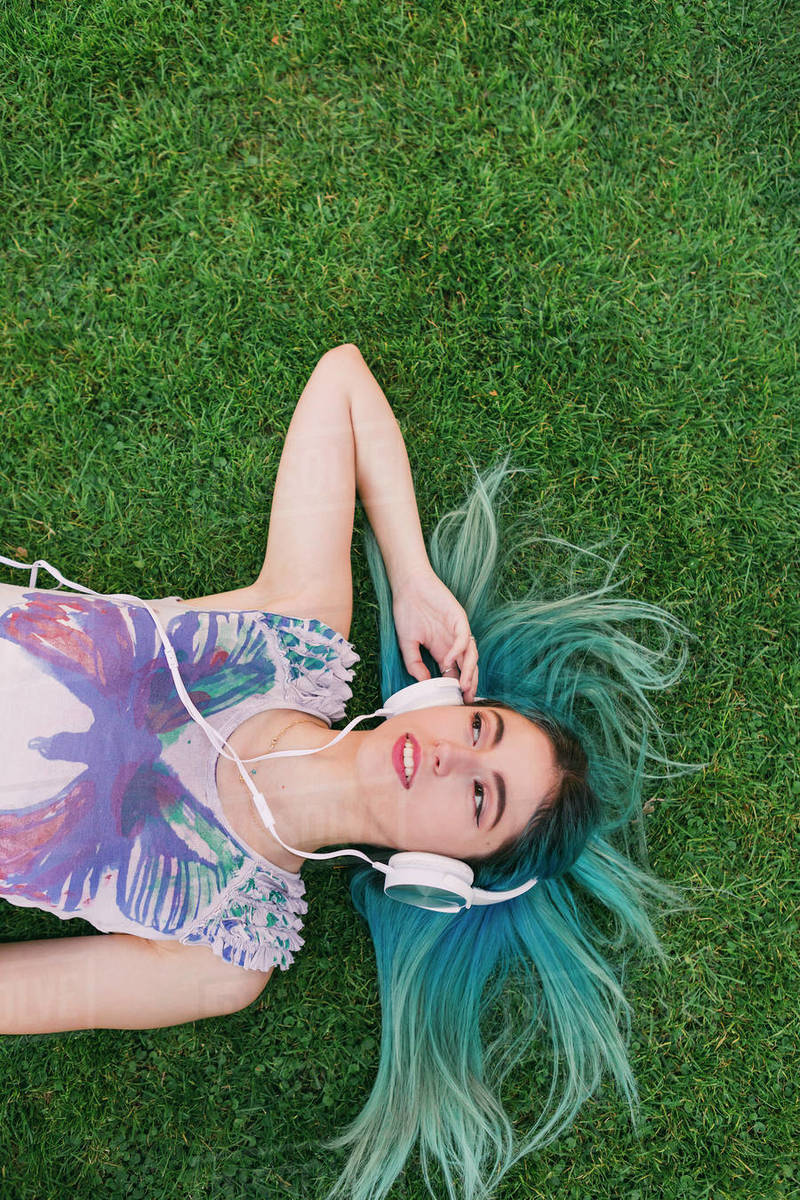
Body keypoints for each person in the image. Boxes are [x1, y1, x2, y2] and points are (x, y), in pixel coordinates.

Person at [0, 344, 702, 1200]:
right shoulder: (296, 632)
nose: (451, 754)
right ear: (440, 700)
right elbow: (341, 381)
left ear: (440, 875)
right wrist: (411, 575)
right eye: (479, 727)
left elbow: (15, 995)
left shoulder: (225, 954)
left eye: (479, 796)